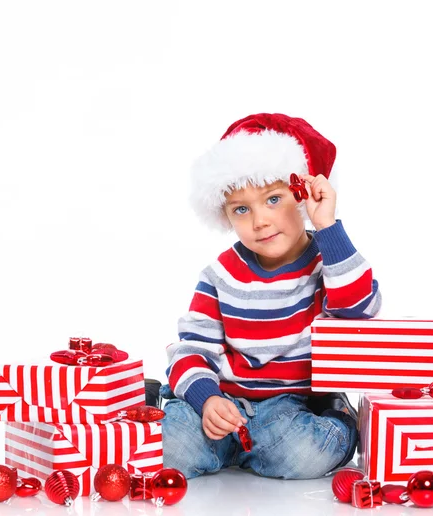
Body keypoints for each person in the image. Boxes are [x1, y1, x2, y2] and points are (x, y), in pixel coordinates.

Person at [149, 113, 381, 480]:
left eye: (273, 199)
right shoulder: (220, 274)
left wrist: (327, 227)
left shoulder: (328, 262)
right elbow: (193, 349)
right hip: (222, 401)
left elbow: (360, 311)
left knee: (305, 453)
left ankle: (336, 419)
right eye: (242, 209)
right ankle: (233, 447)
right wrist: (206, 399)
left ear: (303, 196)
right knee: (166, 446)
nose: (260, 221)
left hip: (291, 408)